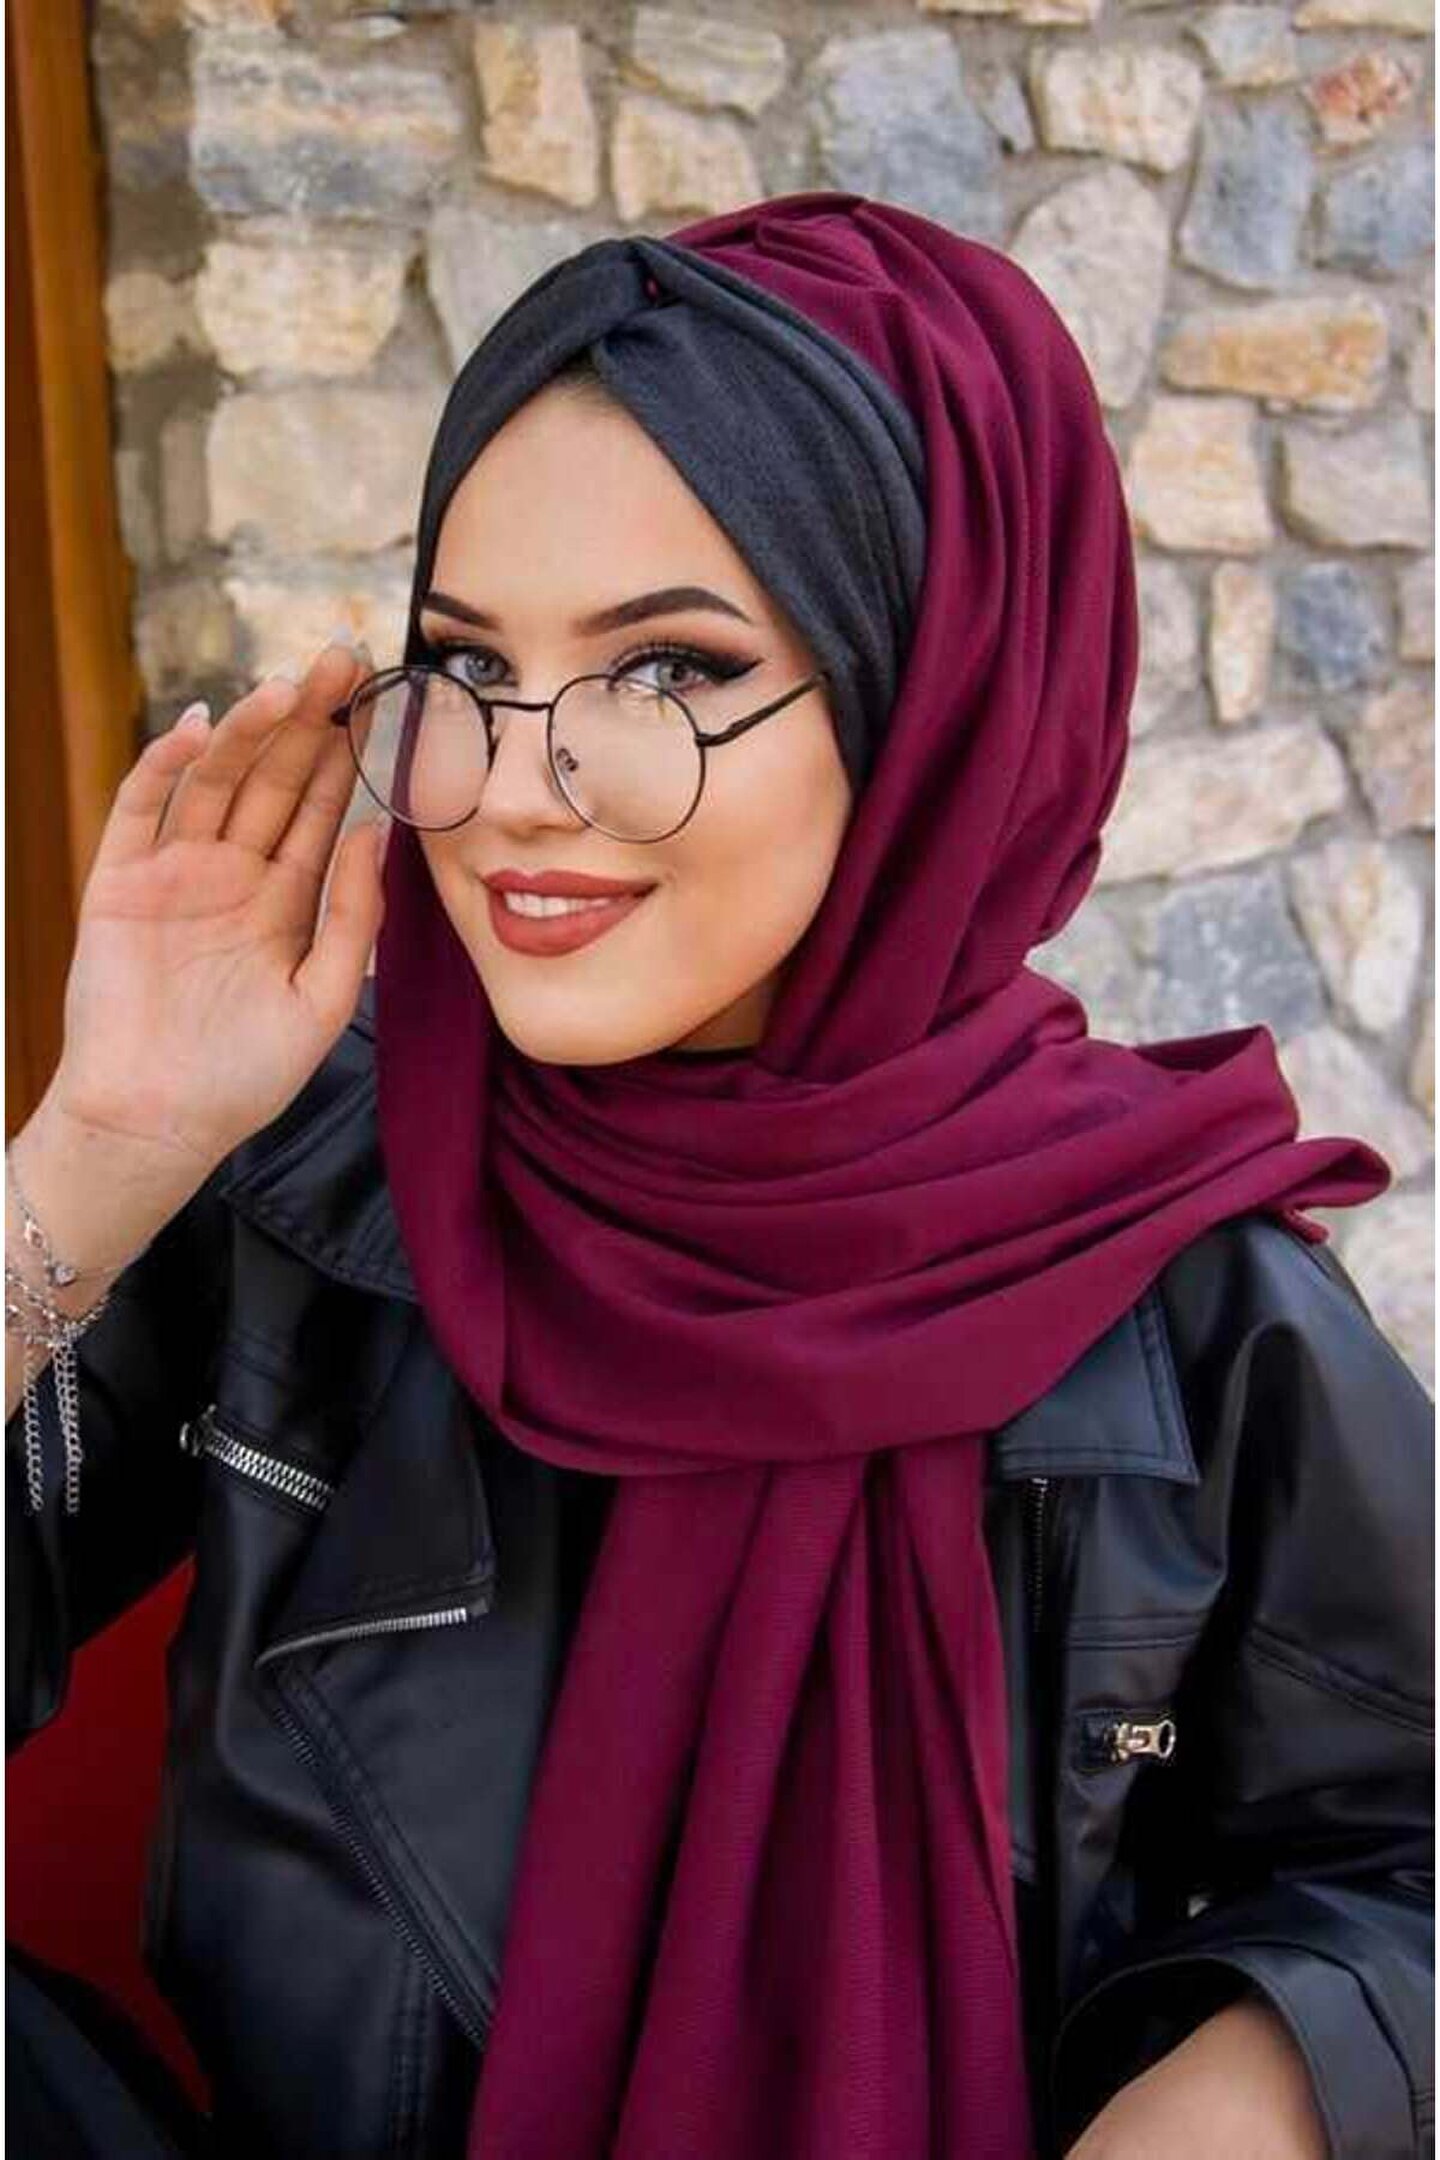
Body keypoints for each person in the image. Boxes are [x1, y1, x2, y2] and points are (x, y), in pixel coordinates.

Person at [6, 190, 1432, 2160]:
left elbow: (1406, 1869)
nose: (517, 788)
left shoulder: (1183, 1311)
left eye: (668, 673)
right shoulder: (307, 1199)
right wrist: (100, 1148)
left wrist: (1247, 2088)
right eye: (466, 667)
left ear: (933, 704)